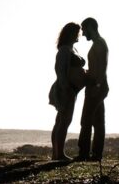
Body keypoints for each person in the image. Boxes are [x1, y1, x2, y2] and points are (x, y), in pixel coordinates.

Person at [49, 22, 87, 161]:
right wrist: (66, 89)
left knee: (60, 121)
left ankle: (56, 153)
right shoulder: (64, 50)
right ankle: (59, 154)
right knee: (63, 121)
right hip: (67, 89)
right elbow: (60, 71)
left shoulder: (71, 49)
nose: (80, 35)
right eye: (77, 32)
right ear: (71, 34)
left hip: (72, 90)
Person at [75, 16, 108, 161]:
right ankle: (96, 155)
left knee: (86, 120)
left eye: (84, 29)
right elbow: (97, 67)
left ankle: (84, 154)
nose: (83, 33)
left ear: (90, 27)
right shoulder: (98, 43)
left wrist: (97, 85)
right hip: (97, 85)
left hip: (96, 86)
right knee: (98, 122)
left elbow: (103, 67)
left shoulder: (100, 44)